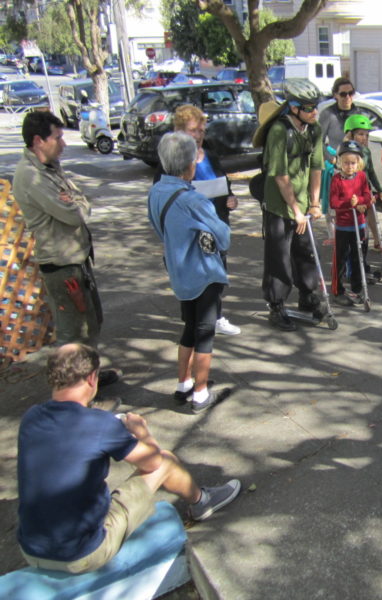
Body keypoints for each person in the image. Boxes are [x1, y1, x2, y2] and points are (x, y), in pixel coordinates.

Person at [16, 343, 241, 573]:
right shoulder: (99, 423)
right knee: (165, 460)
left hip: (31, 549)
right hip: (82, 554)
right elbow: (152, 461)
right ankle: (202, 501)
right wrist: (142, 431)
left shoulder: (31, 417)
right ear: (92, 378)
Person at [12, 110, 120, 401]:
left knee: (90, 324)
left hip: (77, 261)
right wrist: (77, 204)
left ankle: (88, 377)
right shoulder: (31, 176)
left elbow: (81, 198)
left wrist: (77, 202)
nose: (63, 143)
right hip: (62, 266)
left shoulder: (50, 167)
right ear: (38, 140)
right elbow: (74, 215)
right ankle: (69, 398)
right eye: (58, 137)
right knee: (73, 334)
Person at [148, 132, 231, 413]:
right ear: (189, 165)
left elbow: (158, 228)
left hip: (178, 269)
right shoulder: (192, 200)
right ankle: (200, 392)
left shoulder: (157, 191)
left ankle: (183, 383)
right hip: (203, 272)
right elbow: (224, 237)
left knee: (189, 329)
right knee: (205, 332)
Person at [154, 104, 241, 336]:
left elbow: (223, 184)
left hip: (215, 223)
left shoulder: (209, 154)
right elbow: (162, 196)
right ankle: (193, 324)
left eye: (202, 130)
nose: (199, 136)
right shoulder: (170, 162)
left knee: (217, 273)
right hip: (190, 232)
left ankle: (216, 316)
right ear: (179, 130)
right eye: (194, 130)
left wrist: (230, 199)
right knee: (192, 277)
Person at [257, 79, 324, 331]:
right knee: (279, 257)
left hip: (303, 207)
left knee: (305, 252)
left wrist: (314, 204)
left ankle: (308, 297)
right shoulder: (279, 131)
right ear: (294, 108)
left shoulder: (314, 129)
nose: (314, 112)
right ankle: (276, 306)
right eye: (308, 108)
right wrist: (295, 211)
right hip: (279, 206)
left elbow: (316, 167)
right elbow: (280, 176)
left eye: (315, 107)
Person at [329, 140, 373, 305]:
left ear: (358, 163)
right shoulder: (337, 180)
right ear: (340, 162)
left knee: (358, 257)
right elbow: (334, 202)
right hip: (343, 226)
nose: (349, 166)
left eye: (353, 163)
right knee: (340, 259)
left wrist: (361, 201)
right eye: (346, 163)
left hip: (359, 224)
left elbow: (368, 196)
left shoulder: (361, 177)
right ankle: (337, 290)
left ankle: (357, 289)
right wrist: (351, 203)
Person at [343, 113, 382, 250]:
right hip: (351, 191)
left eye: (366, 135)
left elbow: (371, 172)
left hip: (365, 189)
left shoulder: (366, 152)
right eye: (360, 134)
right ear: (351, 135)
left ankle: (376, 240)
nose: (364, 138)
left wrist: (379, 190)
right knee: (354, 219)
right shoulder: (345, 152)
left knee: (371, 215)